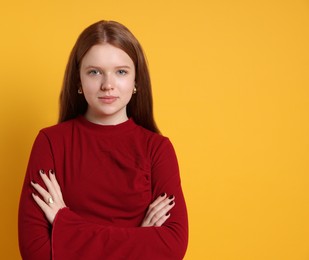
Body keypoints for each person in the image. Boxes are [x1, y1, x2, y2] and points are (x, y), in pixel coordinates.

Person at [18, 20, 188, 259]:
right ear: (78, 81)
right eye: (94, 72)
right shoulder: (50, 143)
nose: (108, 85)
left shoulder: (158, 149)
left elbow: (172, 247)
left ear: (136, 81)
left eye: (121, 72)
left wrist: (64, 224)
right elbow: (35, 253)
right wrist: (140, 238)